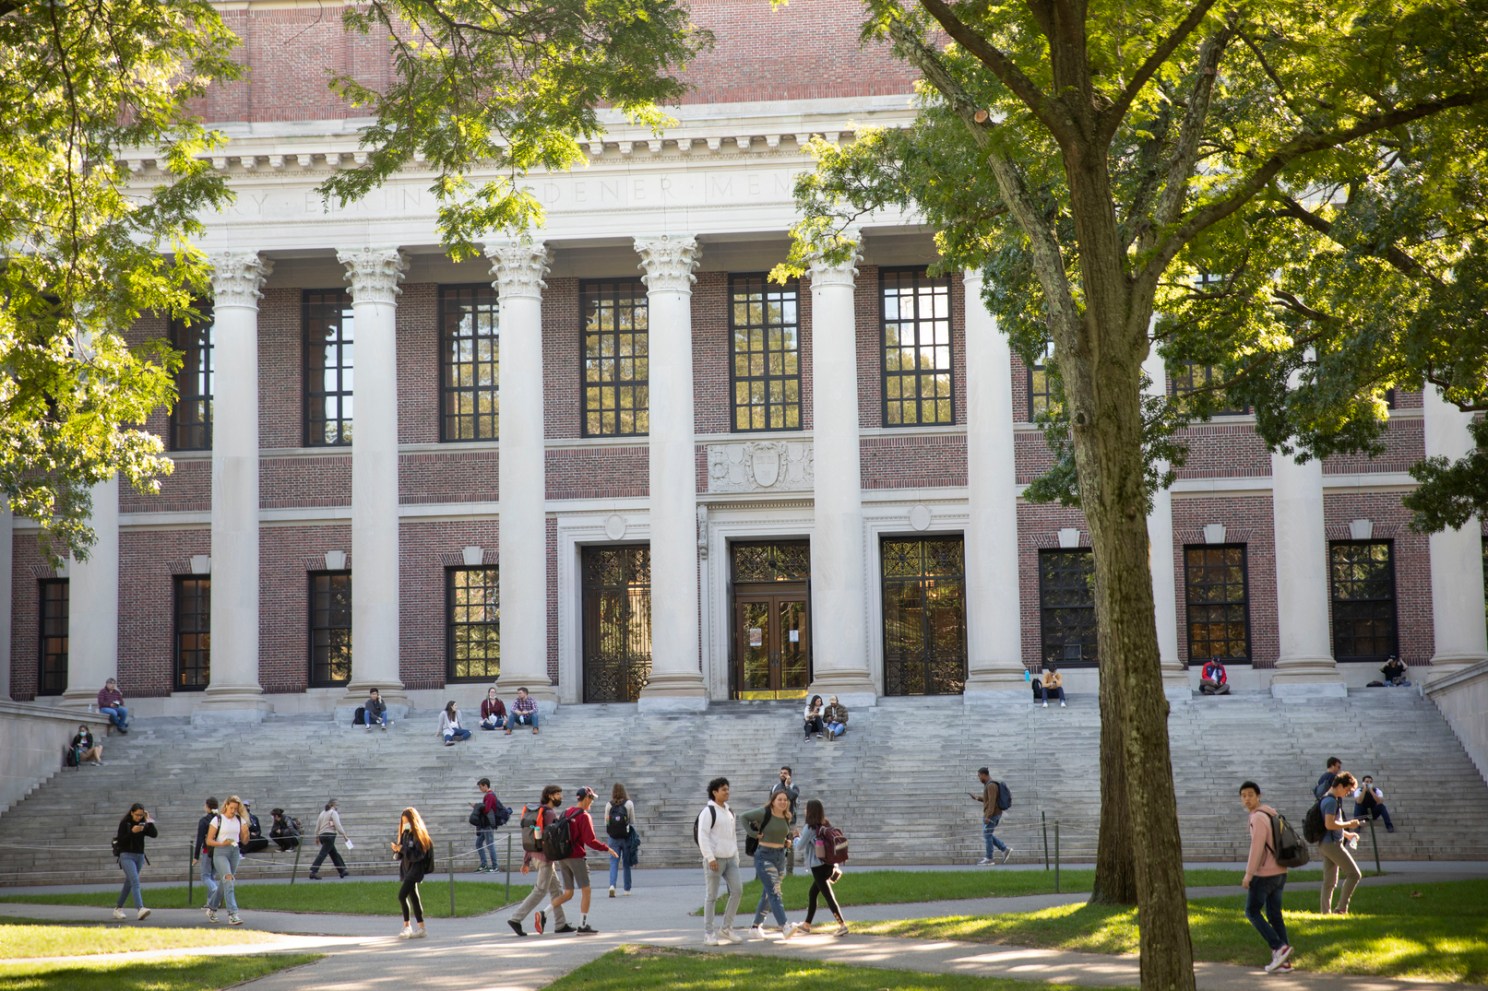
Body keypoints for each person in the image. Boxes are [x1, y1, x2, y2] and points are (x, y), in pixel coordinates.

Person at [1239, 781, 1293, 974]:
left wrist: (1248, 874)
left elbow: (1257, 848)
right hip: (1280, 871)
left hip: (1265, 874)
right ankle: (1284, 961)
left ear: (1258, 796)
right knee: (1274, 914)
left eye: (1250, 795)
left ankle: (1279, 947)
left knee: (1251, 911)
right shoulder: (1271, 813)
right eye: (1243, 795)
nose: (1247, 799)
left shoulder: (1258, 817)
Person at [549, 786, 617, 935]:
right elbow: (590, 840)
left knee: (568, 893)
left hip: (563, 857)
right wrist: (607, 848)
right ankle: (582, 925)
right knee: (586, 890)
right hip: (576, 857)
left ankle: (543, 913)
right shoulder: (584, 816)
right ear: (586, 798)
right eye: (591, 799)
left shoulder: (566, 812)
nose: (592, 802)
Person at [507, 784, 567, 936]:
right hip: (545, 858)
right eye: (558, 794)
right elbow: (551, 839)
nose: (561, 797)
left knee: (556, 890)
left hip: (536, 856)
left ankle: (561, 924)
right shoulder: (548, 814)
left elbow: (531, 837)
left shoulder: (538, 811)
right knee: (540, 890)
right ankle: (516, 918)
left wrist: (526, 860)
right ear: (551, 795)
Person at [743, 789, 799, 940]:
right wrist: (753, 834)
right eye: (779, 799)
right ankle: (785, 926)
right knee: (775, 891)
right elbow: (743, 817)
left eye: (785, 800)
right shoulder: (764, 812)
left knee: (768, 894)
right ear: (773, 800)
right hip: (764, 856)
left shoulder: (786, 816)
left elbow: (783, 835)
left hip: (780, 857)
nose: (783, 802)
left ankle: (755, 927)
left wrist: (787, 842)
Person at [698, 776, 743, 946]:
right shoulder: (708, 812)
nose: (727, 791)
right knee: (712, 896)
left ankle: (727, 928)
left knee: (737, 891)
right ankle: (709, 933)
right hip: (715, 859)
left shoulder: (730, 812)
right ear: (714, 792)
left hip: (730, 858)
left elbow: (732, 836)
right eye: (723, 789)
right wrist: (709, 857)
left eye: (728, 788)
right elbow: (703, 835)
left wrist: (736, 856)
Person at [793, 798, 848, 936]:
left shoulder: (810, 827)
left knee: (828, 896)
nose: (805, 810)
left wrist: (795, 838)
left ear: (809, 811)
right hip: (828, 864)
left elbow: (800, 846)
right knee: (813, 893)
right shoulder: (825, 824)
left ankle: (842, 925)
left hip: (818, 867)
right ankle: (806, 925)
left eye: (806, 808)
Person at [1319, 771, 1364, 915]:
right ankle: (1341, 908)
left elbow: (1331, 825)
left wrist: (1347, 833)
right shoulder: (1331, 801)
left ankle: (1325, 913)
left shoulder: (1326, 798)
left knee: (1330, 881)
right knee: (1354, 874)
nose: (1347, 793)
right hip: (1332, 844)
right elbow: (1329, 824)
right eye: (1347, 790)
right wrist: (1349, 823)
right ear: (1339, 785)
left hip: (1326, 843)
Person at [205, 795, 249, 925]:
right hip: (220, 852)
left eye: (236, 809)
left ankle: (211, 907)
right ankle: (233, 914)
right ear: (226, 806)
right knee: (229, 880)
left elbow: (245, 841)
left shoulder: (240, 820)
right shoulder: (217, 819)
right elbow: (209, 840)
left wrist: (246, 833)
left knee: (225, 882)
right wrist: (222, 844)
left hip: (234, 851)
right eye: (231, 808)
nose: (233, 811)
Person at [393, 807, 432, 938]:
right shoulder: (405, 834)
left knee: (401, 895)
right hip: (406, 867)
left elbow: (418, 855)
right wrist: (397, 849)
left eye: (406, 821)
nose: (405, 824)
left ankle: (407, 926)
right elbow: (403, 853)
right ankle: (421, 928)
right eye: (403, 822)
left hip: (415, 869)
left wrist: (402, 849)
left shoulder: (419, 835)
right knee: (414, 897)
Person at [112, 803, 156, 920]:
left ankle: (118, 908)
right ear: (132, 813)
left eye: (141, 815)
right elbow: (120, 841)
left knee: (129, 882)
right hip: (126, 855)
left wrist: (148, 820)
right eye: (137, 815)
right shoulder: (125, 823)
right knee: (135, 881)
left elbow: (154, 834)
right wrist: (132, 832)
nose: (138, 817)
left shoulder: (143, 822)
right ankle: (140, 908)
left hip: (139, 856)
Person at [969, 766, 1012, 865]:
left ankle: (989, 858)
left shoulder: (991, 785)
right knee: (987, 834)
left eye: (979, 776)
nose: (979, 778)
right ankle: (1004, 849)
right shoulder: (989, 785)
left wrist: (988, 816)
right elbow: (988, 800)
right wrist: (977, 798)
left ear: (984, 775)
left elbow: (992, 802)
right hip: (993, 814)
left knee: (987, 835)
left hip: (992, 815)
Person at [604, 782, 635, 897]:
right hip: (626, 837)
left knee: (613, 862)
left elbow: (606, 822)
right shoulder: (629, 803)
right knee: (626, 863)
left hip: (613, 838)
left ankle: (612, 885)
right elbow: (632, 821)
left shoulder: (609, 805)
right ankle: (627, 889)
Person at [308, 798, 351, 879]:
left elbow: (317, 826)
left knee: (334, 853)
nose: (337, 807)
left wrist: (317, 836)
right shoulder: (333, 813)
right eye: (336, 805)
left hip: (322, 835)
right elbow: (338, 825)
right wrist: (344, 835)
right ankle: (313, 871)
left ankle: (342, 870)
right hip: (330, 835)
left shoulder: (322, 813)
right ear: (332, 805)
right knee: (323, 854)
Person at [770, 766, 801, 875]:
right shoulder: (775, 787)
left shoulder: (794, 787)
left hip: (790, 822)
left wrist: (787, 786)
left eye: (785, 773)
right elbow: (770, 804)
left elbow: (792, 797)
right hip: (777, 821)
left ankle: (789, 871)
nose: (782, 774)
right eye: (781, 773)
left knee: (790, 847)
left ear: (789, 775)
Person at [192, 797, 220, 913]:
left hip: (208, 851)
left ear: (208, 806)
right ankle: (210, 903)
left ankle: (215, 890)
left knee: (205, 876)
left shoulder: (204, 820)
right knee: (212, 876)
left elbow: (200, 838)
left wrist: (195, 856)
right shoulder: (220, 819)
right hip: (219, 850)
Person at [473, 777, 501, 873]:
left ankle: (495, 866)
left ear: (485, 785)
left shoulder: (489, 796)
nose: (480, 789)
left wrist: (477, 807)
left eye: (481, 787)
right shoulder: (489, 795)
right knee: (479, 843)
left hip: (487, 824)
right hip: (485, 824)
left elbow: (486, 809)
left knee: (490, 844)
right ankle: (484, 864)